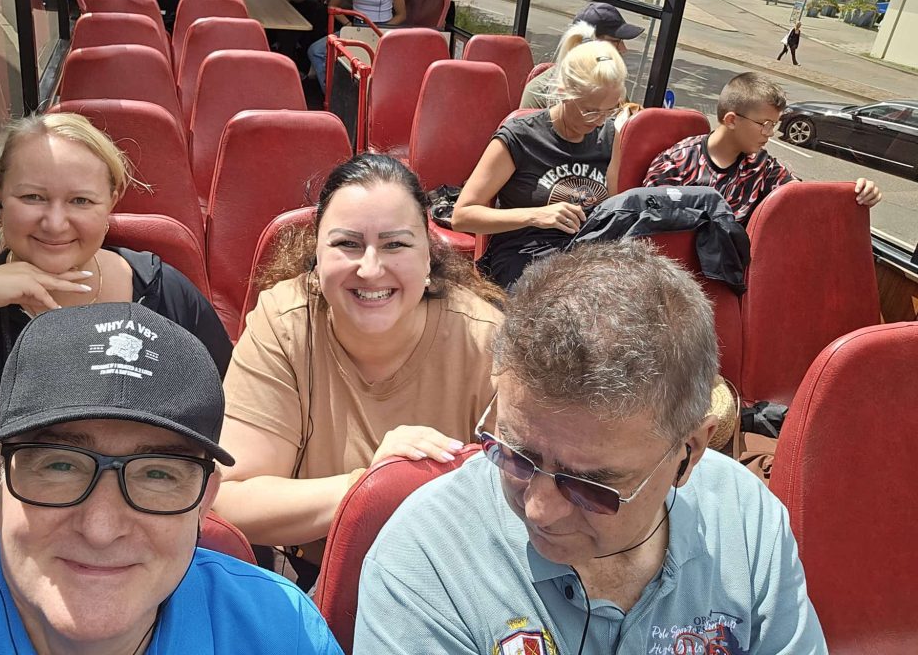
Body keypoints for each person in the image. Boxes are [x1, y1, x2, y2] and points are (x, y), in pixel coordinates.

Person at [354, 242, 828, 654]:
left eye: (591, 487)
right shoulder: (426, 562)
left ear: (688, 454)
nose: (540, 510)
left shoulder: (746, 521)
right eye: (514, 455)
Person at [0, 302, 343, 654]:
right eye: (61, 465)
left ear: (204, 504)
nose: (101, 529)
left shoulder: (281, 630)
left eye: (157, 474)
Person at [0, 113, 232, 487]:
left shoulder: (165, 294)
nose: (55, 223)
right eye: (32, 197)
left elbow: (230, 427)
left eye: (80, 201)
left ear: (112, 201)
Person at [215, 154, 502, 587]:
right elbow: (230, 499)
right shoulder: (285, 322)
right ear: (317, 254)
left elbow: (520, 507)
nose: (370, 269)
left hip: (451, 576)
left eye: (395, 244)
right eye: (347, 244)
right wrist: (373, 485)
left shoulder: (487, 339)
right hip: (317, 571)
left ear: (429, 255)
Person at [452, 39, 628, 289]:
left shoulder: (609, 135)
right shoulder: (521, 136)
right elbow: (462, 216)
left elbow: (611, 208)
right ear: (563, 93)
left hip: (585, 254)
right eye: (591, 111)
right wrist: (536, 215)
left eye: (610, 111)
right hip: (525, 254)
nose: (599, 122)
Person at [643, 72, 881, 225]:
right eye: (764, 125)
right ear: (731, 120)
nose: (770, 133)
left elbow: (803, 197)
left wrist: (857, 192)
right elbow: (646, 224)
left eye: (774, 125)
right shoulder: (677, 163)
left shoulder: (761, 166)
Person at [520, 2, 645, 109]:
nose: (623, 49)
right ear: (588, 43)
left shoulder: (611, 86)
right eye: (616, 41)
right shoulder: (541, 92)